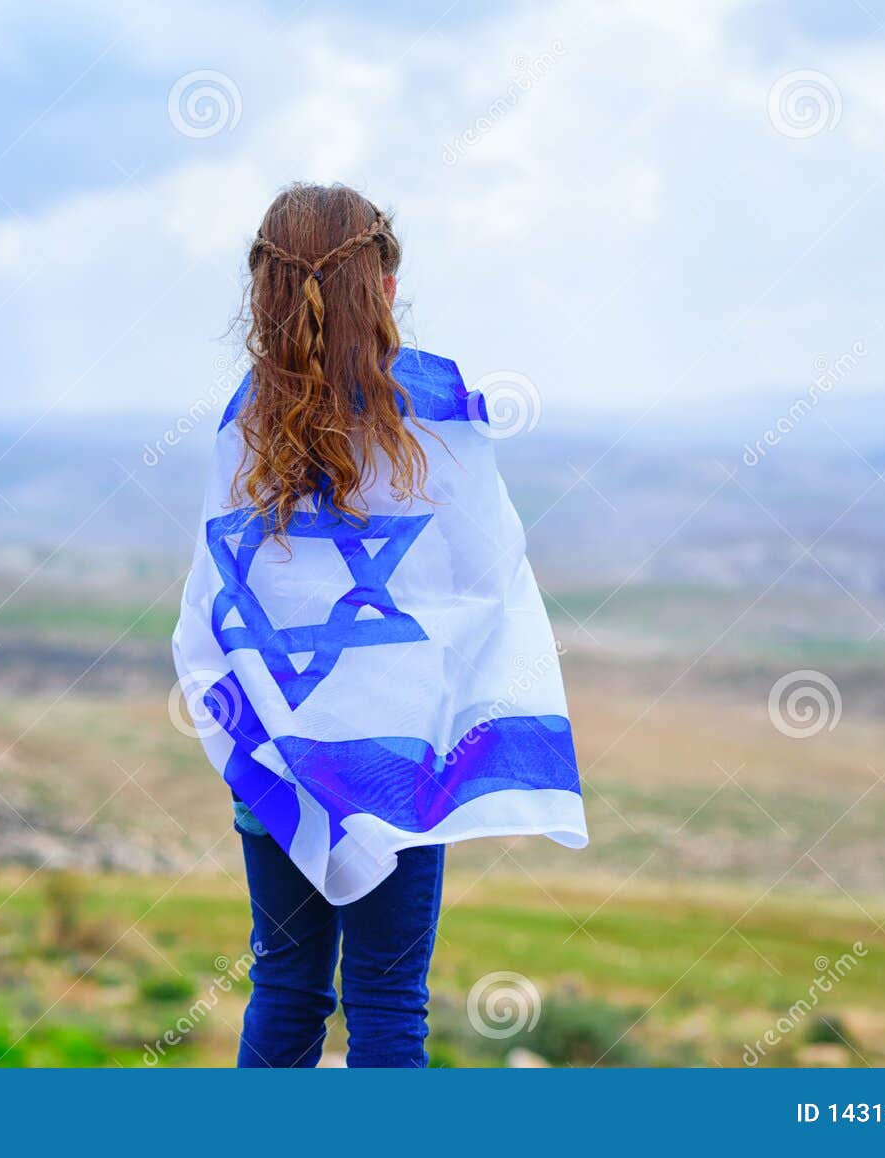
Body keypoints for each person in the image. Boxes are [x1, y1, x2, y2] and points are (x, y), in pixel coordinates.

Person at [173, 183, 586, 1068]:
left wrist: (270, 722)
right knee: (389, 1001)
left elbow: (222, 598)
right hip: (397, 758)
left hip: (281, 755)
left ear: (265, 297)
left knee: (286, 990)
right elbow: (487, 583)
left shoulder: (242, 422)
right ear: (386, 289)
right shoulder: (434, 414)